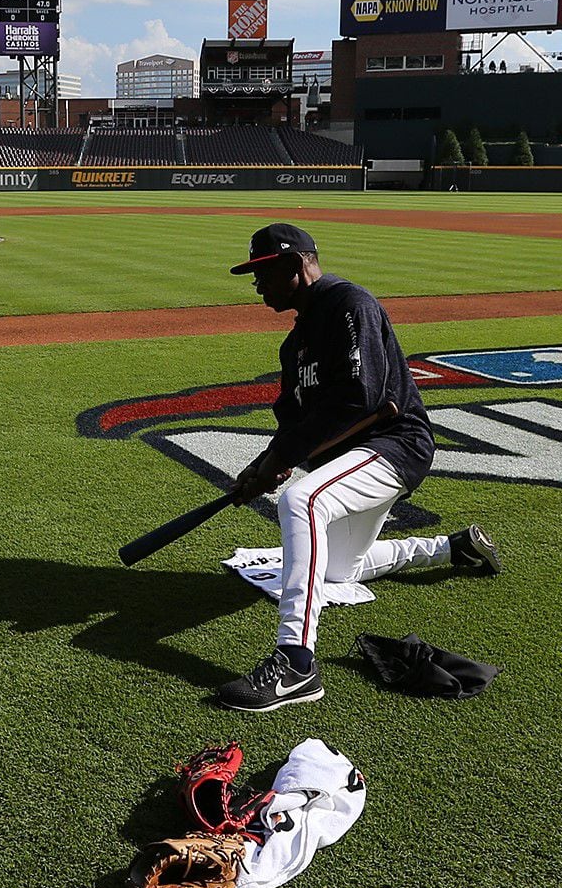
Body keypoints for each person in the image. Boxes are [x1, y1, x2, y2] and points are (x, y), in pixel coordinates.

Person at [212, 223, 499, 713]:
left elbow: (364, 399)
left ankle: (295, 663)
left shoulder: (349, 304)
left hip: (394, 445)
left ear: (297, 264)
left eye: (263, 272)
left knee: (302, 499)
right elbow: (293, 427)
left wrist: (283, 464)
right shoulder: (294, 345)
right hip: (349, 461)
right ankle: (452, 549)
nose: (257, 284)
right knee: (336, 571)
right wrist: (264, 465)